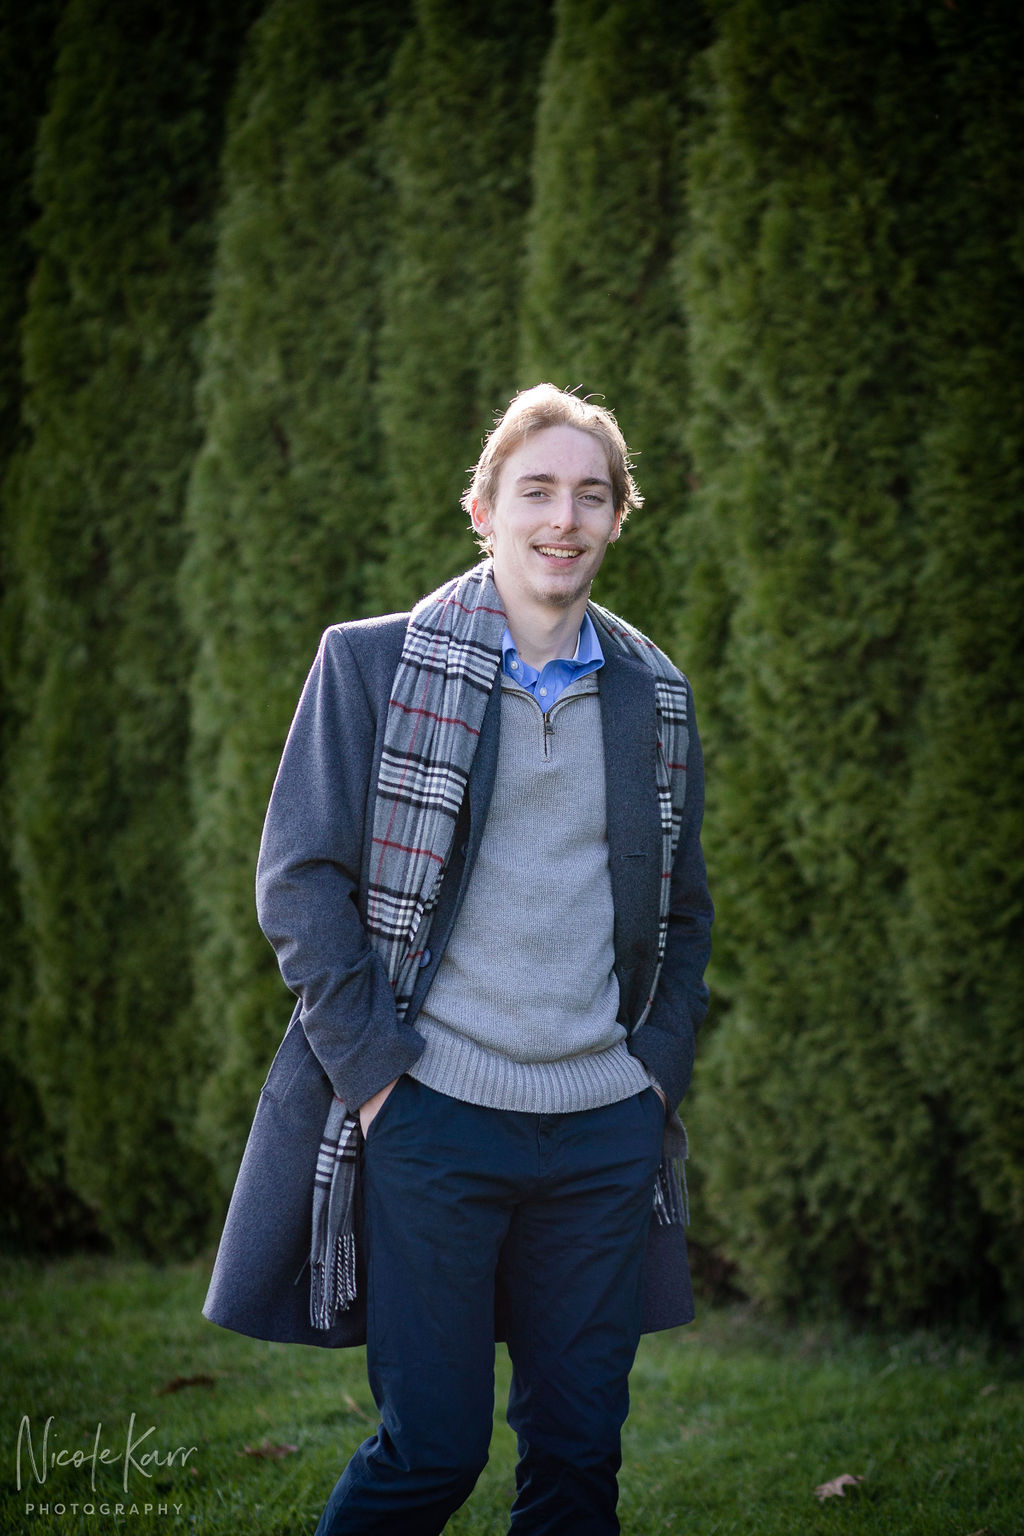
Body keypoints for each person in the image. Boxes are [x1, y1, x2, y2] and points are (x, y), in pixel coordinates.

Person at [203, 383, 713, 1535]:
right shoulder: (370, 665)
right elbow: (298, 884)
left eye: (591, 495)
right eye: (535, 491)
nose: (563, 519)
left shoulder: (655, 696)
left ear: (619, 517)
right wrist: (379, 1079)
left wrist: (652, 1080)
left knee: (577, 1460)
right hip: (431, 1115)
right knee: (429, 1454)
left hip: (601, 1129)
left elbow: (682, 917)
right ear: (482, 511)